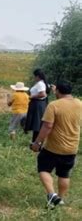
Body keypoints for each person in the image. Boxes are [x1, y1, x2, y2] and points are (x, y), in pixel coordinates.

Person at [30, 80, 82, 208]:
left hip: (54, 147)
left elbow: (47, 126)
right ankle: (60, 199)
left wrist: (38, 142)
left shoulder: (54, 105)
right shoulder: (79, 103)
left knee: (43, 167)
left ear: (57, 90)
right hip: (72, 147)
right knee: (64, 174)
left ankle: (52, 195)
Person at [25, 69, 50, 142]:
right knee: (37, 123)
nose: (34, 78)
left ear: (38, 76)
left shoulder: (40, 84)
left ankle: (36, 142)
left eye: (34, 76)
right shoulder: (43, 83)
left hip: (37, 104)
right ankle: (35, 141)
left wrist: (31, 97)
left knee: (37, 123)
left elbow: (43, 94)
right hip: (38, 104)